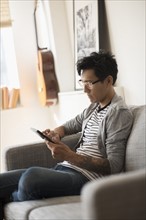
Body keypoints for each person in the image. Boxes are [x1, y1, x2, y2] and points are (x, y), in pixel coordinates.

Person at [0, 50, 133, 219]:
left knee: (30, 179)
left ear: (108, 81)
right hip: (66, 170)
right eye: (82, 82)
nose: (85, 90)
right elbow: (69, 126)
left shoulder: (118, 113)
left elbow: (113, 166)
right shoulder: (93, 108)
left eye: (90, 83)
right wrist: (55, 133)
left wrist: (69, 155)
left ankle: (10, 199)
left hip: (86, 179)